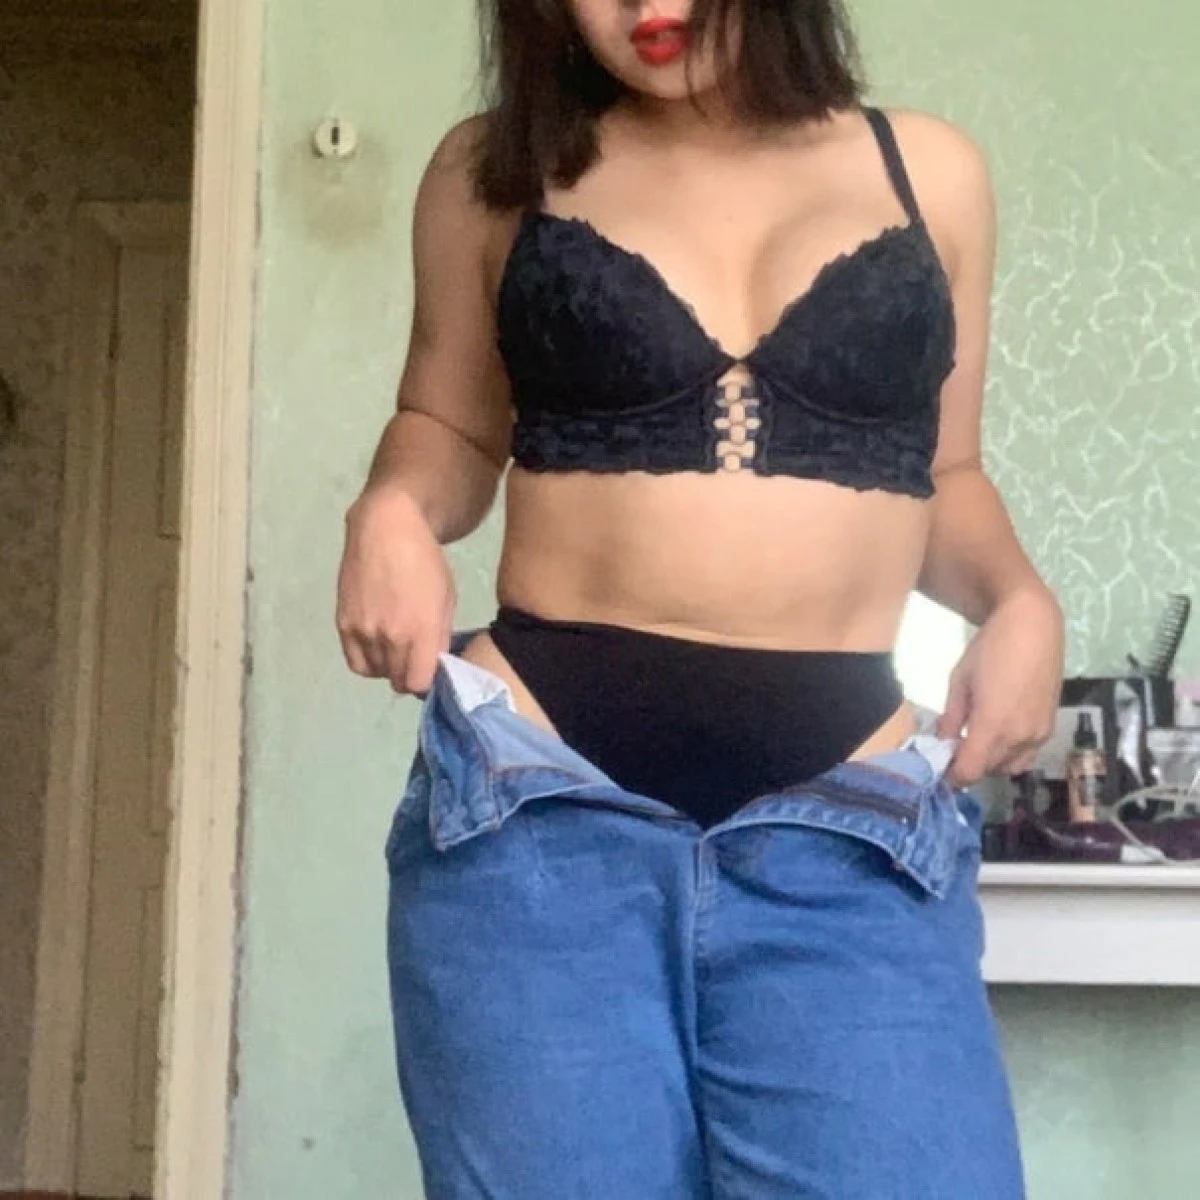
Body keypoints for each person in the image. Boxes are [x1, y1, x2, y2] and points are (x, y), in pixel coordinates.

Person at [337, 2, 1063, 1196]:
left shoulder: (930, 173)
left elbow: (944, 472)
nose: (646, 7)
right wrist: (391, 512)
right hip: (536, 807)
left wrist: (1021, 602)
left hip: (852, 820)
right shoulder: (491, 171)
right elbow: (448, 426)